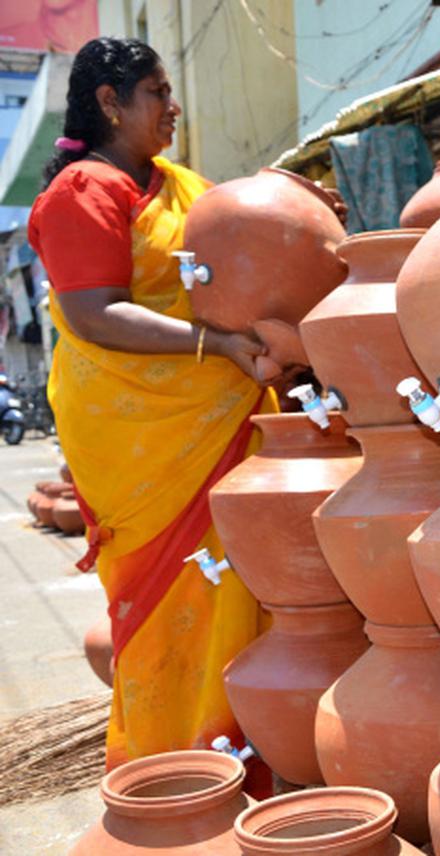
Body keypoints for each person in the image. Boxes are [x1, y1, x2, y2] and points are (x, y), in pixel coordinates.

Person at [28, 37, 273, 770]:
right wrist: (218, 345)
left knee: (240, 591)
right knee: (175, 598)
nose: (173, 106)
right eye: (157, 93)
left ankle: (241, 755)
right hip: (141, 440)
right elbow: (95, 313)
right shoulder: (85, 192)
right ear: (110, 103)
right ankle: (173, 771)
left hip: (219, 423)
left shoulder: (177, 184)